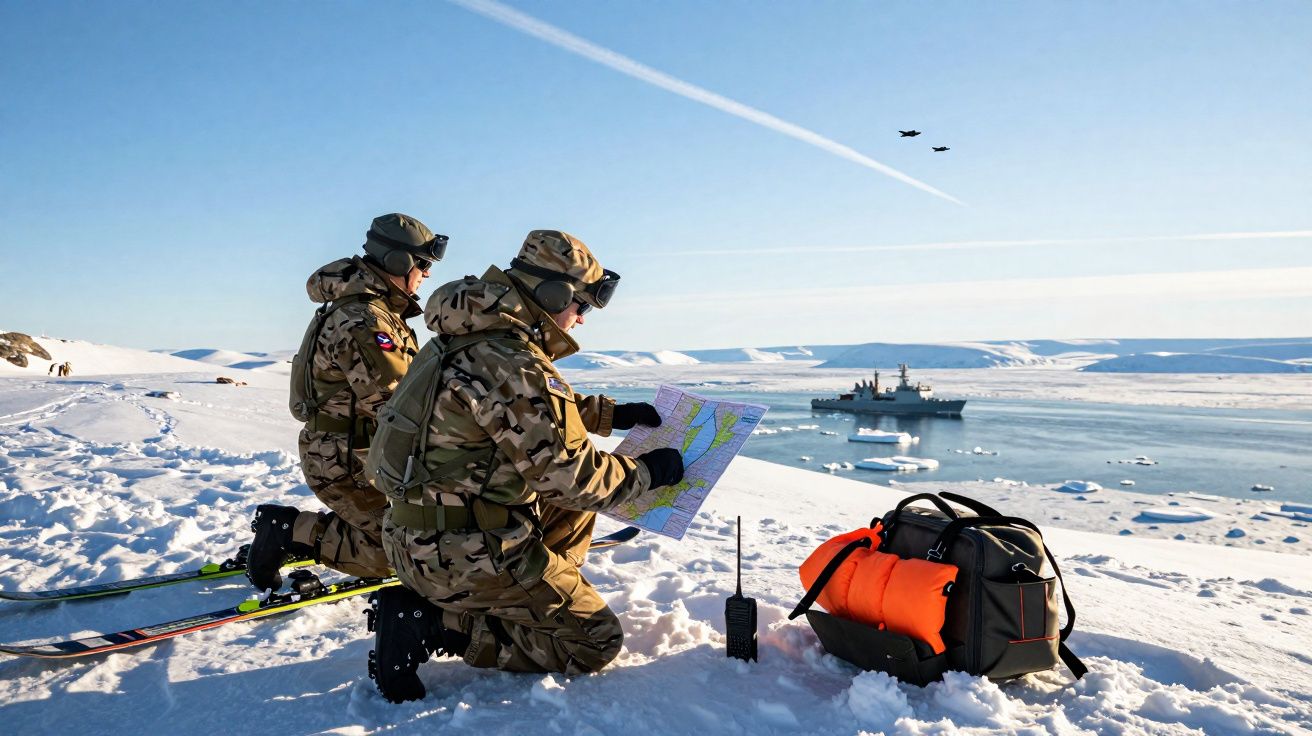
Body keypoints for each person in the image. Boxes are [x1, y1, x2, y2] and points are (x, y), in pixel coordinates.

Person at [368, 229, 683, 703]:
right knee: (594, 643)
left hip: (418, 536)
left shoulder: (463, 337)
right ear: (554, 295)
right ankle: (434, 626)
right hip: (460, 554)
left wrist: (608, 415)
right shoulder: (514, 360)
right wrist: (648, 473)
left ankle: (532, 597)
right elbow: (572, 478)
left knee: (572, 511)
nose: (580, 319)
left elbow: (513, 413)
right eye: (581, 306)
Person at [244, 213, 447, 591]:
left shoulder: (371, 311)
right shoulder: (363, 319)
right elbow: (397, 404)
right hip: (343, 460)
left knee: (421, 531)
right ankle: (290, 532)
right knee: (405, 553)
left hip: (357, 453)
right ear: (398, 263)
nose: (426, 275)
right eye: (422, 265)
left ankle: (321, 534)